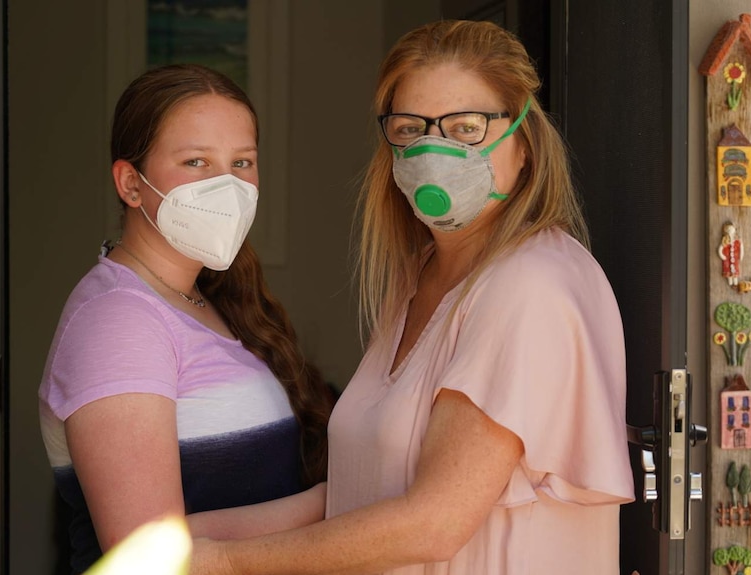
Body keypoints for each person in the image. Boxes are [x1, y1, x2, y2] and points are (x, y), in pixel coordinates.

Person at [196, 19, 634, 575]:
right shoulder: (421, 273)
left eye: (467, 127)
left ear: (523, 143)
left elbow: (433, 524)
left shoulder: (532, 285)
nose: (435, 151)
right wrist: (187, 536)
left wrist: (225, 563)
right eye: (410, 129)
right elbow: (358, 494)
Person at [38, 64, 334, 574]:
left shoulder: (209, 299)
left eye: (242, 162)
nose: (228, 185)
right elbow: (146, 552)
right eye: (196, 161)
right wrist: (336, 504)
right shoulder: (118, 320)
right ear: (131, 184)